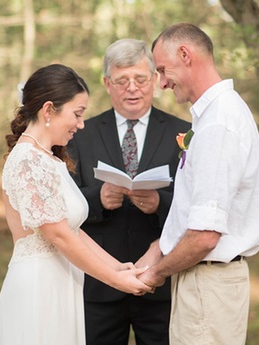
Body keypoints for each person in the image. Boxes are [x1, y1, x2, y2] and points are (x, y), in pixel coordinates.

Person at [0, 64, 152, 345]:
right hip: (39, 287)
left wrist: (119, 268)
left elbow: (73, 230)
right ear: (49, 110)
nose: (81, 124)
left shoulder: (50, 160)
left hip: (62, 282)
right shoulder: (28, 160)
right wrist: (116, 282)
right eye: (77, 114)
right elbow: (58, 235)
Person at [136, 23, 259, 345]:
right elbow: (194, 213)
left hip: (208, 283)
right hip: (202, 279)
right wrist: (159, 247)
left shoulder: (218, 124)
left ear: (185, 54)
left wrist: (155, 273)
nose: (162, 82)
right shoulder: (213, 116)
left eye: (163, 70)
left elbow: (206, 235)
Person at [68, 39, 191, 345]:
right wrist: (98, 199)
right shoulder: (79, 134)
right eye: (122, 81)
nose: (132, 88)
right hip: (98, 285)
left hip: (162, 281)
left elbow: (196, 201)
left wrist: (159, 203)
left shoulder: (185, 131)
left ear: (154, 80)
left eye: (140, 79)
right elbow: (61, 203)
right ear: (107, 83)